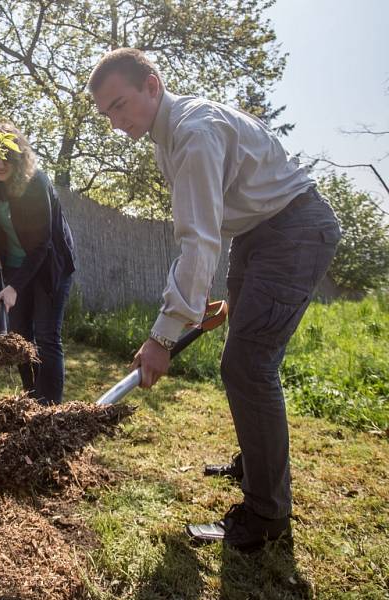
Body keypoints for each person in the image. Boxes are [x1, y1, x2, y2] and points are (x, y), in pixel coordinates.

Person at [88, 49, 341, 551]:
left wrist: (163, 335)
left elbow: (199, 239)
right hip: (258, 235)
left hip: (293, 230)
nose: (116, 122)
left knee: (248, 367)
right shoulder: (168, 137)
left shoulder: (194, 134)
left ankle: (266, 515)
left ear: (152, 86)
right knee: (242, 362)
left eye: (120, 105)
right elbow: (212, 227)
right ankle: (256, 463)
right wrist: (203, 299)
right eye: (107, 114)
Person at [0, 122, 77, 405]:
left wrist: (14, 287)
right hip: (14, 266)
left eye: (4, 155)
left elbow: (43, 244)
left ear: (18, 154)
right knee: (20, 339)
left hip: (49, 267)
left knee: (46, 338)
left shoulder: (36, 183)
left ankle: (51, 411)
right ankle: (32, 402)